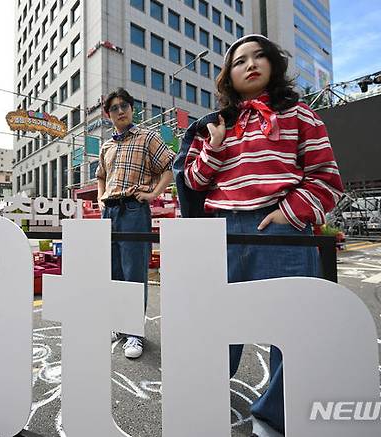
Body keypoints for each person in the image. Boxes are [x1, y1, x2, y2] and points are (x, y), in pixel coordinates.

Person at [183, 34, 344, 436]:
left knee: (292, 327)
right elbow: (193, 180)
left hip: (282, 229)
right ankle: (206, 393)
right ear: (228, 76)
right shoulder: (214, 125)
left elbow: (328, 180)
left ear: (274, 64)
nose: (250, 64)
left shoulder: (301, 116)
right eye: (240, 61)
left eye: (259, 56)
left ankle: (273, 416)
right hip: (222, 232)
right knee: (219, 322)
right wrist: (214, 147)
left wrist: (287, 213)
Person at [96, 88, 175, 359]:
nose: (120, 111)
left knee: (133, 273)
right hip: (110, 211)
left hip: (133, 210)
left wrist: (153, 194)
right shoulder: (106, 146)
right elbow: (101, 176)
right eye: (115, 108)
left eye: (124, 106)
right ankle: (120, 324)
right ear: (108, 115)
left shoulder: (147, 137)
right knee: (114, 272)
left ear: (132, 109)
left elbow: (169, 166)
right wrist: (100, 198)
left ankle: (135, 334)